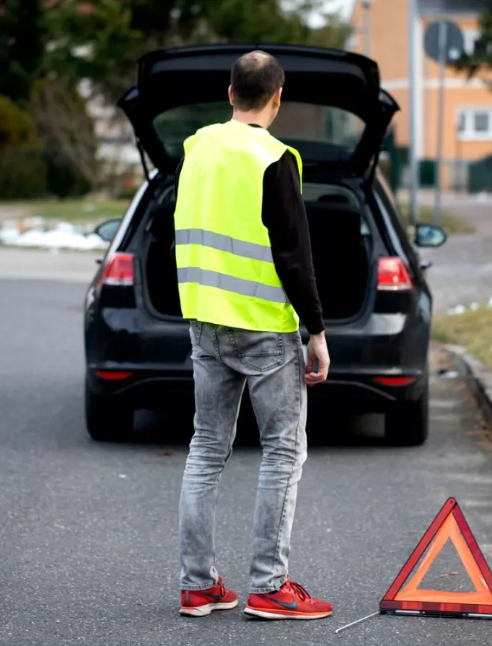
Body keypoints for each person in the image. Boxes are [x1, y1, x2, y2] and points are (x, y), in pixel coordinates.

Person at [174, 50, 331, 621]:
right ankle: (269, 586)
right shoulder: (273, 157)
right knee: (283, 451)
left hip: (203, 320)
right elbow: (294, 254)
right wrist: (316, 329)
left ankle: (198, 585)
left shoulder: (197, 148)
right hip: (263, 326)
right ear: (278, 96)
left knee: (207, 449)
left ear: (230, 90)